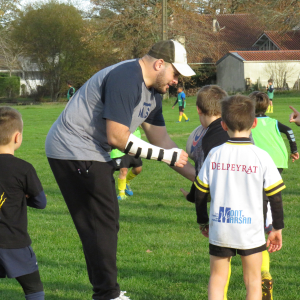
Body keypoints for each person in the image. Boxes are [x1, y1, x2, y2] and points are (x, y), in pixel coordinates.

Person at [45, 39, 196, 300]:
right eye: (175, 73)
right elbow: (117, 137)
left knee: (105, 222)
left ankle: (105, 292)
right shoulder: (126, 77)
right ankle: (108, 295)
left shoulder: (153, 93)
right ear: (160, 64)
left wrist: (202, 180)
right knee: (101, 222)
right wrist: (163, 156)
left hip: (92, 151)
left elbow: (162, 141)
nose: (176, 82)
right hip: (73, 148)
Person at [194, 95, 284, 300]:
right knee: (253, 281)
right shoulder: (262, 156)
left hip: (221, 225)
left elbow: (200, 193)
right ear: (254, 123)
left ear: (223, 125)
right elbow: (275, 197)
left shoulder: (215, 154)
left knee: (217, 278)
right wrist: (277, 227)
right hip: (251, 229)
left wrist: (203, 222)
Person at [181, 85, 231, 300]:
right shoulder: (241, 135)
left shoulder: (206, 141)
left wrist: (193, 198)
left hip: (221, 212)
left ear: (199, 110)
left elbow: (202, 180)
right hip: (249, 211)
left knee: (218, 273)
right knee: (252, 275)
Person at [249, 91, 298, 300]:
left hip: (258, 164)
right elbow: (290, 132)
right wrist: (294, 149)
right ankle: (268, 219)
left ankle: (264, 221)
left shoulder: (249, 123)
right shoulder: (274, 122)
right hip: (277, 163)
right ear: (268, 106)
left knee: (259, 200)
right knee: (270, 196)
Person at [0, 107, 47, 300]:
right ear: (17, 137)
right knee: (33, 289)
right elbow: (40, 202)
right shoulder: (23, 169)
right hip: (14, 242)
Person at [110, 127, 143, 200]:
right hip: (120, 147)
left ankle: (126, 182)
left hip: (134, 146)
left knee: (138, 169)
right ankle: (121, 194)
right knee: (124, 170)